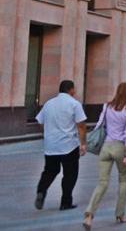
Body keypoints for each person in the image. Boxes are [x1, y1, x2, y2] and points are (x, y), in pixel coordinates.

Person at [84, 81, 126, 228]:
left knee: (102, 183)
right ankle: (120, 214)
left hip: (106, 147)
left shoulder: (107, 106)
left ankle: (89, 214)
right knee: (123, 181)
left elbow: (99, 124)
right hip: (120, 147)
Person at [35, 80, 87, 212]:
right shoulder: (74, 104)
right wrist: (83, 143)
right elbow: (81, 125)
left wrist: (48, 133)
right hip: (68, 145)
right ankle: (65, 201)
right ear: (71, 90)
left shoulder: (49, 104)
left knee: (50, 171)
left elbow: (40, 121)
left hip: (51, 146)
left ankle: (41, 190)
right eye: (74, 89)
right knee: (70, 173)